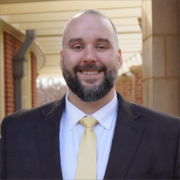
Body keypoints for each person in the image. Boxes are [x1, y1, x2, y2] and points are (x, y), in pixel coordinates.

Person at [1, 9, 180, 180]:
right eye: (77, 47)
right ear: (62, 60)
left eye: (101, 46)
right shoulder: (16, 132)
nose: (89, 57)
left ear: (119, 58)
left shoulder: (170, 135)